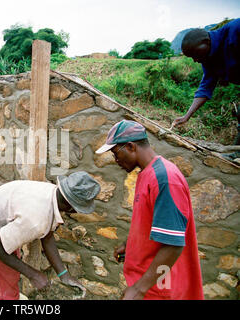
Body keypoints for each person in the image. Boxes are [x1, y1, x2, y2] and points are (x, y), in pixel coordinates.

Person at [96, 120, 204, 300]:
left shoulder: (164, 179)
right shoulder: (147, 174)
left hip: (161, 288)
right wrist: (129, 244)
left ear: (130, 146)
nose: (116, 161)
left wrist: (139, 289)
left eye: (116, 154)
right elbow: (151, 223)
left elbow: (173, 243)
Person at [0, 171, 101, 300]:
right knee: (7, 279)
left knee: (12, 271)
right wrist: (33, 275)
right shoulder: (35, 220)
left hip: (4, 227)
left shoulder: (52, 194)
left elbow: (47, 235)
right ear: (71, 207)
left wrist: (63, 274)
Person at [172, 18, 240, 160]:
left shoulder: (235, 30)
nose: (195, 60)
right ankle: (237, 155)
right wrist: (187, 116)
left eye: (195, 55)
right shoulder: (208, 59)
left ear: (206, 43)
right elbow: (205, 88)